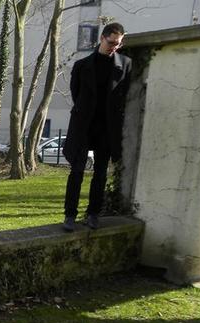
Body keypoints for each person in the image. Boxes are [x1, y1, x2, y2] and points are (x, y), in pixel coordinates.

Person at [62, 22, 131, 232]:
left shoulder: (125, 64)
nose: (114, 47)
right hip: (84, 125)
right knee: (77, 171)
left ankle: (93, 214)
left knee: (101, 173)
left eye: (118, 44)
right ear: (102, 38)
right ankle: (70, 216)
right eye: (111, 43)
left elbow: (123, 95)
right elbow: (76, 94)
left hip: (107, 127)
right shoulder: (82, 65)